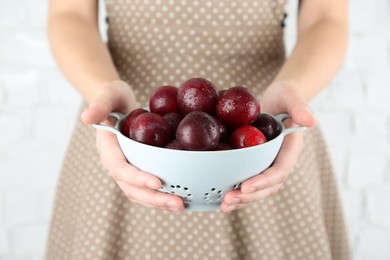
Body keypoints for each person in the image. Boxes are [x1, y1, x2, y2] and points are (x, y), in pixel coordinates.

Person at [46, 0, 351, 259]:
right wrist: (102, 90)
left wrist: (292, 90)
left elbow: (326, 18)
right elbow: (69, 15)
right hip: (125, 139)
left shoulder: (262, 133)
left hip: (262, 144)